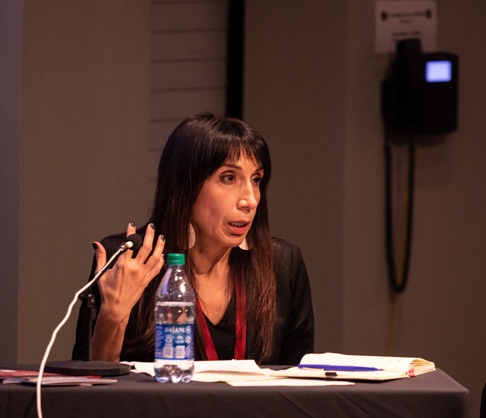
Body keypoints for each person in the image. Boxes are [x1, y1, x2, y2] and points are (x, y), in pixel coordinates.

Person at [72, 113, 314, 364]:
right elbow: (90, 389)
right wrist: (113, 315)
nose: (250, 200)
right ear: (185, 185)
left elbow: (300, 383)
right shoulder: (129, 259)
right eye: (229, 178)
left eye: (256, 180)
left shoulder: (283, 264)